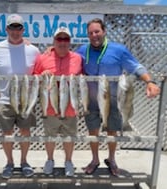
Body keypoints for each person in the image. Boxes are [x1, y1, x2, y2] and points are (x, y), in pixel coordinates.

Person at [75, 18, 160, 176]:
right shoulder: (82, 50)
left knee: (112, 130)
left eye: (97, 31)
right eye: (90, 33)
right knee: (92, 131)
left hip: (113, 100)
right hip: (91, 101)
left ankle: (112, 159)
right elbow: (67, 59)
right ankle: (95, 159)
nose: (94, 35)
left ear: (104, 31)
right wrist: (50, 50)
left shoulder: (119, 50)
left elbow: (136, 67)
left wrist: (150, 82)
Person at [0, 14, 40, 179]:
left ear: (23, 30)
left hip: (26, 101)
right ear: (6, 29)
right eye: (12, 27)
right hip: (4, 100)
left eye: (18, 27)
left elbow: (41, 66)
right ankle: (9, 163)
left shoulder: (33, 50)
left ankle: (24, 162)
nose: (15, 31)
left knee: (25, 132)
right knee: (7, 134)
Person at [33, 26, 83, 177]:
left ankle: (68, 161)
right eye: (59, 39)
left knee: (69, 136)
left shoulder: (77, 58)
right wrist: (42, 74)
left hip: (70, 107)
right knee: (50, 135)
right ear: (54, 41)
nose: (62, 42)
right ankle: (49, 160)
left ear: (70, 42)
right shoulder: (42, 57)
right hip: (50, 107)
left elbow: (84, 76)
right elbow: (34, 75)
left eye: (66, 39)